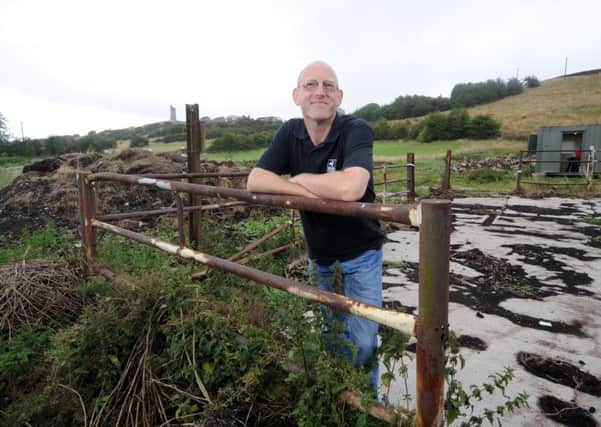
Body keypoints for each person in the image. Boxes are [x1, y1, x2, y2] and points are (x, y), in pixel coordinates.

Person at [246, 60, 384, 390]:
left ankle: (368, 406)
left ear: (339, 96)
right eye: (311, 85)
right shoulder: (289, 132)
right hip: (319, 258)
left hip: (361, 256)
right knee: (332, 337)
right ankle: (340, 402)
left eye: (327, 86)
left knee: (363, 343)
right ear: (296, 95)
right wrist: (305, 189)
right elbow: (255, 179)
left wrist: (303, 178)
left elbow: (352, 188)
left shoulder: (356, 129)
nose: (319, 92)